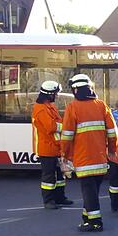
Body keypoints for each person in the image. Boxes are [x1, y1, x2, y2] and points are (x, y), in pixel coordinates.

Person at [59, 74, 116, 232]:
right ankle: (86, 218)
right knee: (92, 191)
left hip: (83, 159)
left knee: (89, 191)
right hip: (100, 158)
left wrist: (65, 156)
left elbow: (67, 136)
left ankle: (95, 222)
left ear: (76, 90)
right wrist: (112, 150)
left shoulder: (73, 107)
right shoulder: (101, 105)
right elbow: (113, 133)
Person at [31, 80, 73, 209]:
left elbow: (57, 122)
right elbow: (51, 127)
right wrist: (66, 126)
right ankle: (48, 201)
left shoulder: (49, 105)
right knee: (48, 177)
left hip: (55, 147)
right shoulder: (41, 109)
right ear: (49, 94)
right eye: (55, 93)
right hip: (47, 148)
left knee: (60, 175)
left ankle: (60, 197)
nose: (57, 95)